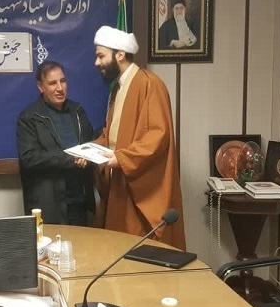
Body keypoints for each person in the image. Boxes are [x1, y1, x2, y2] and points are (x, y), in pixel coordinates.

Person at [91, 26, 186, 249]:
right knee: (118, 250)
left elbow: (157, 137)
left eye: (101, 56)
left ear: (120, 54)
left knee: (141, 251)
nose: (97, 63)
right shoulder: (117, 89)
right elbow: (112, 135)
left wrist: (122, 158)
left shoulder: (150, 84)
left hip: (139, 189)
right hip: (120, 183)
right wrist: (90, 150)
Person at [17, 61, 97, 225]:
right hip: (50, 206)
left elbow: (90, 143)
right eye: (53, 83)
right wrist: (71, 159)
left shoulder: (78, 111)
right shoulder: (29, 117)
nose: (60, 88)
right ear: (41, 87)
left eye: (63, 81)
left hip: (80, 202)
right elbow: (29, 158)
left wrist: (89, 156)